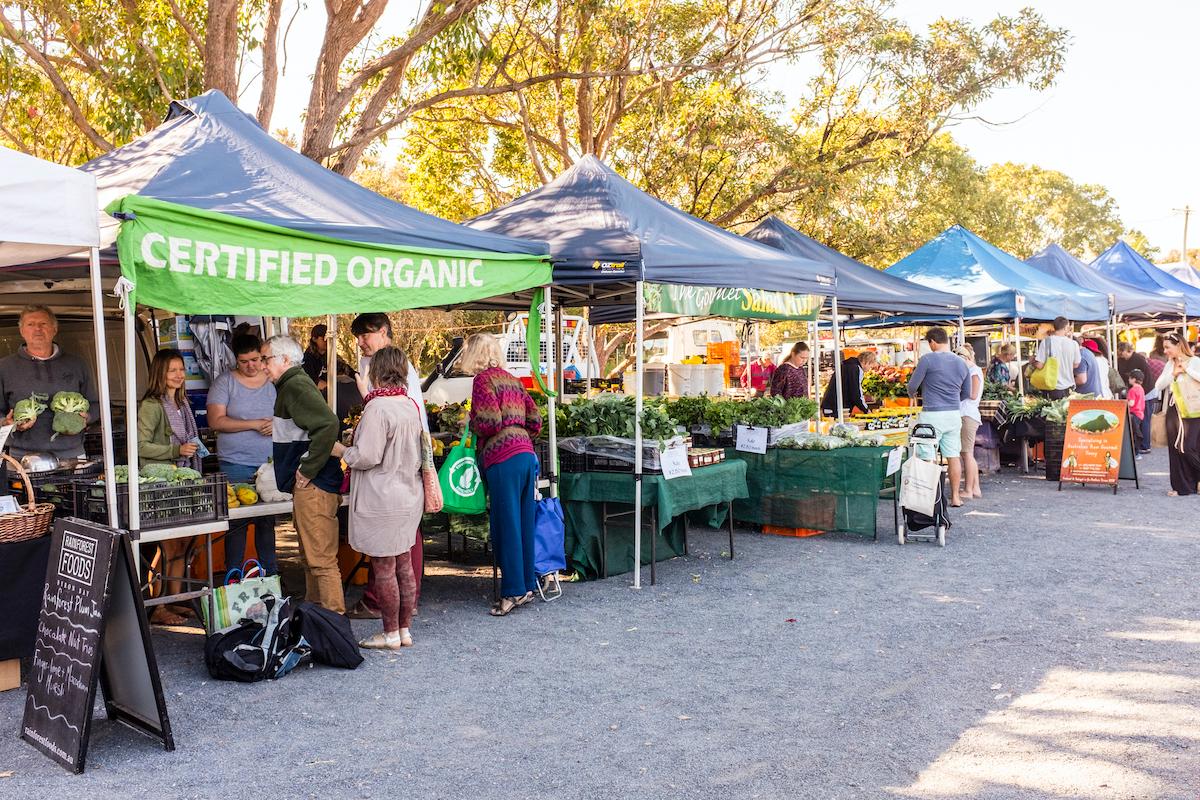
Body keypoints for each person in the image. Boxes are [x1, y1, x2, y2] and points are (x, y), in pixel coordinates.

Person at [331, 347, 424, 649]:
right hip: (409, 494)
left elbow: (368, 456)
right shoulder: (408, 404)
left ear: (376, 372)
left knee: (384, 568)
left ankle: (390, 633)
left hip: (383, 497)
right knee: (404, 566)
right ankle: (404, 630)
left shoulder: (377, 408)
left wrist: (342, 451)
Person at [345, 313, 427, 620]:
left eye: (366, 335)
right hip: (403, 464)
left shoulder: (394, 368)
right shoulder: (380, 366)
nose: (361, 342)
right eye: (358, 337)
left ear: (383, 332)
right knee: (403, 548)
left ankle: (386, 614)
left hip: (396, 466)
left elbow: (371, 449)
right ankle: (404, 612)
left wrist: (344, 450)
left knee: (394, 550)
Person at [262, 335, 346, 613]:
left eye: (266, 359)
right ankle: (317, 622)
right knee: (312, 559)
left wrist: (308, 468)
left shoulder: (295, 384)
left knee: (320, 561)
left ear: (285, 360)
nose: (263, 365)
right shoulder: (291, 385)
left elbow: (327, 424)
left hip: (316, 486)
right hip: (313, 486)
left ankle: (334, 628)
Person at [461, 333, 542, 616]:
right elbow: (536, 420)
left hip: (502, 457)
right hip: (525, 454)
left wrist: (470, 421)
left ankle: (512, 591)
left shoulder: (482, 381)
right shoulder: (513, 380)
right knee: (523, 522)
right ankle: (526, 585)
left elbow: (489, 422)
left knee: (506, 525)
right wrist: (518, 433)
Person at [138, 349, 201, 626]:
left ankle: (174, 601)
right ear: (160, 374)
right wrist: (175, 450)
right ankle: (159, 606)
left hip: (185, 478)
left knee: (183, 543)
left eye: (181, 369)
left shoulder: (182, 402)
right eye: (172, 370)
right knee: (169, 544)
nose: (178, 375)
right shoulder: (152, 405)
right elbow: (140, 447)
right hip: (162, 483)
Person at [207, 334, 278, 577]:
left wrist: (277, 424)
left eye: (256, 359)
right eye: (244, 361)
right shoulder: (224, 383)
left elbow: (293, 415)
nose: (251, 366)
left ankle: (270, 577)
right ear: (235, 360)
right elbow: (216, 421)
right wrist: (254, 423)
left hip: (270, 463)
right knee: (236, 523)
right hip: (236, 462)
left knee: (266, 522)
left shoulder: (274, 380)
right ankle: (234, 577)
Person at [0, 305, 99, 459]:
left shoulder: (77, 364)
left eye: (43, 324)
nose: (37, 329)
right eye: (31, 324)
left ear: (54, 329)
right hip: (22, 457)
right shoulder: (4, 367)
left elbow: (95, 404)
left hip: (71, 454)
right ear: (22, 331)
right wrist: (7, 422)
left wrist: (87, 417)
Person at [907, 328, 971, 507]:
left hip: (931, 415)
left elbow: (912, 386)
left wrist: (912, 394)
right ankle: (956, 497)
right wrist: (951, 400)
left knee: (928, 456)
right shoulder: (961, 362)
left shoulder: (927, 359)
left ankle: (931, 498)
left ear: (932, 342)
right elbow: (967, 392)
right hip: (953, 414)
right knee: (953, 456)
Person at [1154, 332, 1200, 496]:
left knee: (1188, 447)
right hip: (1175, 409)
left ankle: (1195, 482)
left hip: (1194, 409)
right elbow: (1158, 385)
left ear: (1179, 345)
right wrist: (1173, 373)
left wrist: (1186, 369)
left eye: (1168, 347)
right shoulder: (1169, 364)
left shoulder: (1195, 361)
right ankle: (1182, 487)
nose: (1165, 351)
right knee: (1175, 448)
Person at [1031, 316, 1082, 400]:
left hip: (1051, 386)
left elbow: (1040, 365)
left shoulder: (1046, 342)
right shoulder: (1074, 344)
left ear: (1054, 327)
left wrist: (1032, 361)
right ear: (1066, 327)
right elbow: (1076, 364)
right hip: (1069, 387)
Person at [957, 343, 984, 500]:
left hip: (967, 414)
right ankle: (975, 488)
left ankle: (968, 489)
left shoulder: (973, 371)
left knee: (966, 453)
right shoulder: (972, 370)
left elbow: (973, 394)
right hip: (967, 414)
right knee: (967, 453)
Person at [820, 350, 875, 417]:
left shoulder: (846, 365)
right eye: (870, 366)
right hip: (837, 407)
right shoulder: (856, 369)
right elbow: (856, 392)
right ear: (865, 362)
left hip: (830, 405)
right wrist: (866, 410)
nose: (870, 369)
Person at [1127, 369, 1146, 456]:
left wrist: (1124, 402)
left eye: (1130, 378)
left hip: (1133, 413)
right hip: (1140, 414)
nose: (1128, 380)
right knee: (1136, 432)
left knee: (1133, 434)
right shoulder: (1141, 389)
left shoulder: (1132, 390)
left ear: (1133, 379)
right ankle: (1137, 452)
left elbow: (1131, 403)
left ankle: (1136, 452)